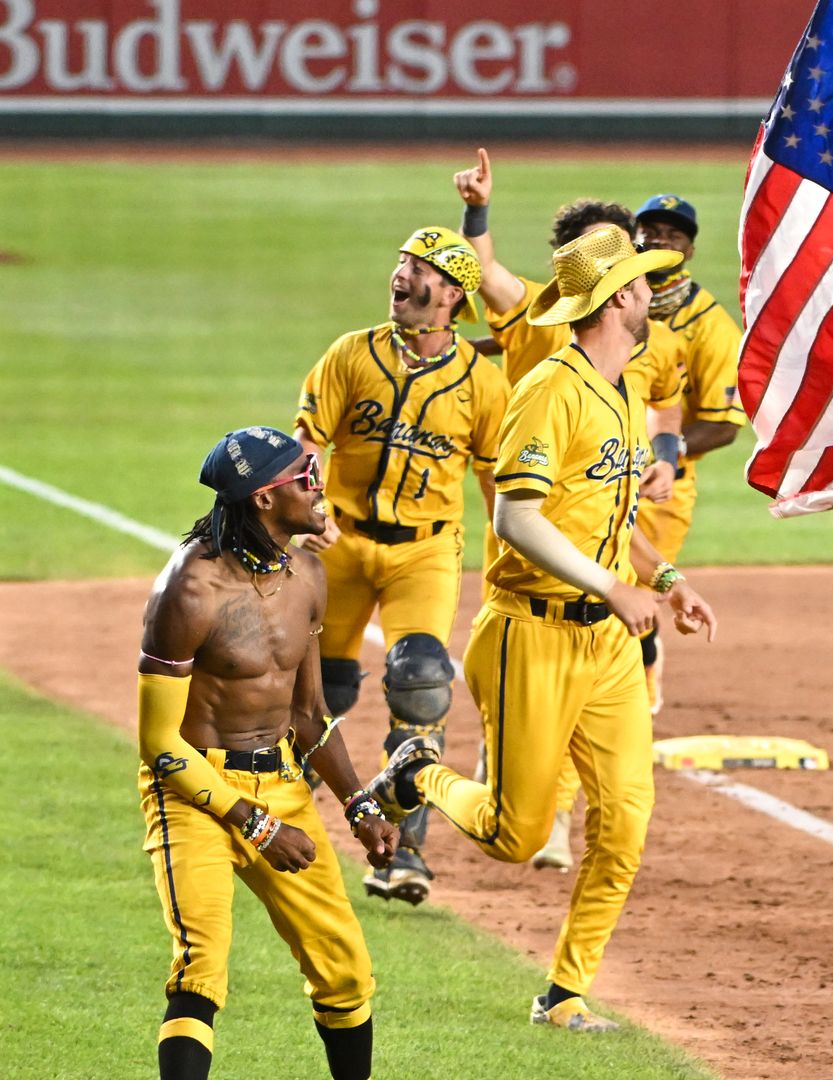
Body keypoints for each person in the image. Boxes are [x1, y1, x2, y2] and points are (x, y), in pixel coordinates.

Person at [367, 224, 718, 1033]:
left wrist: (664, 579)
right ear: (618, 298)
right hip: (530, 634)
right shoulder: (548, 391)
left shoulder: (627, 394)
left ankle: (563, 993)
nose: (654, 293)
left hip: (607, 647)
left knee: (624, 821)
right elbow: (517, 517)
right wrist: (610, 585)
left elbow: (609, 512)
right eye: (642, 282)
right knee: (514, 834)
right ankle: (418, 771)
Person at [137, 427, 399, 1080]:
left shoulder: (307, 572)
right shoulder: (191, 589)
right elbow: (159, 741)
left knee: (345, 971)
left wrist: (360, 804)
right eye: (304, 477)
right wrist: (253, 822)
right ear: (263, 499)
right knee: (201, 966)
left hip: (281, 783)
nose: (320, 486)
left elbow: (308, 715)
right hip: (194, 790)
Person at [452, 149, 688, 871]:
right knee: (534, 652)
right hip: (528, 510)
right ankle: (522, 797)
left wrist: (665, 463)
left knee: (607, 651)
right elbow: (481, 269)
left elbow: (667, 404)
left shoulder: (639, 347)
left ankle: (550, 802)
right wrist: (478, 211)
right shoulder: (534, 317)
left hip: (602, 510)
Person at [293, 227, 508, 906]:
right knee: (318, 692)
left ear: (450, 293)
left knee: (420, 681)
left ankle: (404, 851)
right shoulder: (351, 355)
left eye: (418, 266)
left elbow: (499, 481)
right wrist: (307, 508)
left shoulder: (481, 381)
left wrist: (507, 562)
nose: (400, 273)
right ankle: (272, 817)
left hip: (425, 550)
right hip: (343, 544)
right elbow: (307, 441)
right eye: (400, 261)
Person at [630, 192, 748, 712]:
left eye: (672, 234)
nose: (658, 239)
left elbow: (723, 427)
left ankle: (644, 679)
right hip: (591, 472)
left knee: (631, 589)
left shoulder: (712, 327)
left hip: (661, 489)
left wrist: (664, 456)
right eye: (650, 229)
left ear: (690, 250)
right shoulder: (611, 299)